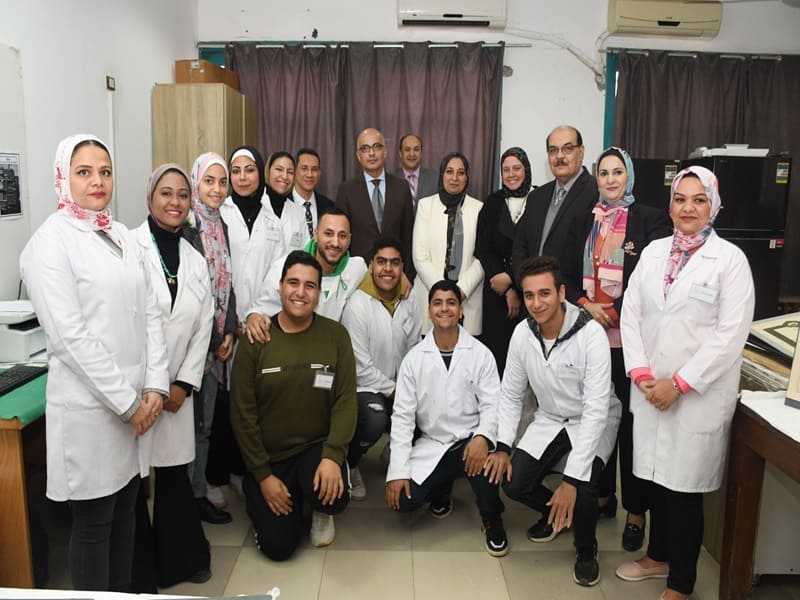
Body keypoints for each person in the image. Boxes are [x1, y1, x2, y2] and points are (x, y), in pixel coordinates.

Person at [19, 134, 169, 591]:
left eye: (104, 171)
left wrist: (155, 388)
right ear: (63, 177)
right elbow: (70, 338)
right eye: (84, 172)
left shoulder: (119, 233)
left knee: (126, 512)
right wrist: (129, 403)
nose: (97, 181)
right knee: (94, 524)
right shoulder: (49, 244)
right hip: (93, 411)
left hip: (134, 410)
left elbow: (150, 314)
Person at [615, 166, 755, 600]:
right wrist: (640, 373)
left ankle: (682, 582)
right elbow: (631, 314)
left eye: (699, 200)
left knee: (685, 491)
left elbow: (730, 335)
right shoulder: (654, 252)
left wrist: (678, 384)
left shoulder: (730, 261)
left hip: (694, 395)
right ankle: (657, 556)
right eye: (680, 199)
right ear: (670, 204)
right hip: (650, 388)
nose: (688, 208)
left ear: (713, 205)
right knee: (656, 481)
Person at [485, 256, 621, 587]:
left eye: (544, 293)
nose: (536, 303)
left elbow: (595, 409)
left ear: (562, 292)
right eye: (529, 295)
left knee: (585, 483)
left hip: (593, 419)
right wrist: (503, 445)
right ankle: (554, 513)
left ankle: (586, 549)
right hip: (549, 417)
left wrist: (571, 481)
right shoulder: (522, 334)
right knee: (514, 484)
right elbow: (512, 395)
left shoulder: (589, 334)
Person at [561, 146, 672, 551]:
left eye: (617, 173)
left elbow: (652, 281)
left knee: (629, 425)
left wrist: (616, 312)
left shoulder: (652, 221)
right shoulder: (584, 219)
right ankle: (603, 494)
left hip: (632, 343)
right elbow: (567, 276)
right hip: (590, 338)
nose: (610, 180)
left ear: (629, 176)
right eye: (603, 173)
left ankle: (636, 510)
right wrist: (587, 304)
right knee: (596, 417)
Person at [230, 251, 357, 557]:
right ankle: (266, 494)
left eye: (310, 286)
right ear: (280, 286)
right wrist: (263, 476)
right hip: (272, 457)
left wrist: (332, 456)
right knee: (278, 548)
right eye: (293, 283)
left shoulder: (335, 336)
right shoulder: (257, 338)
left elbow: (345, 400)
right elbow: (242, 412)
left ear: (319, 291)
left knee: (332, 498)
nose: (300, 292)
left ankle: (317, 505)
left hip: (316, 447)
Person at [132, 164, 214, 589]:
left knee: (172, 475)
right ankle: (139, 568)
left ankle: (179, 559)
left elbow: (204, 325)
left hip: (177, 391)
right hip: (136, 390)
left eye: (183, 195)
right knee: (130, 480)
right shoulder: (128, 248)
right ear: (150, 199)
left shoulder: (196, 260)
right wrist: (151, 385)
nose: (175, 202)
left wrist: (183, 383)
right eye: (166, 194)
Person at [387, 279, 507, 556]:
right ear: (429, 310)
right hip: (433, 443)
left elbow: (493, 405)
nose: (444, 309)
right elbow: (403, 419)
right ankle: (442, 486)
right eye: (437, 303)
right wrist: (397, 472)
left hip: (471, 443)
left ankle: (492, 517)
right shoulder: (414, 359)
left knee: (486, 469)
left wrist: (483, 436)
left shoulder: (481, 354)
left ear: (461, 311)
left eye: (451, 303)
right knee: (404, 501)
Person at [215, 146, 286, 509]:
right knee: (222, 402)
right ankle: (218, 474)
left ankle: (246, 472)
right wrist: (232, 322)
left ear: (260, 174)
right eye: (236, 171)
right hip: (226, 326)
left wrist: (257, 314)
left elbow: (279, 274)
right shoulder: (218, 216)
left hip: (259, 324)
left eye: (249, 170)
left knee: (252, 403)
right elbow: (216, 272)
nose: (243, 177)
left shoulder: (273, 220)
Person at [340, 237, 422, 500]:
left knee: (431, 407)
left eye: (395, 263)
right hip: (364, 389)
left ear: (402, 268)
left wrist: (411, 389)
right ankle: (351, 463)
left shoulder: (409, 301)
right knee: (374, 419)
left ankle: (394, 451)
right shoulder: (357, 305)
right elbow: (360, 368)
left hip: (399, 385)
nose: (388, 269)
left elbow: (414, 351)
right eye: (381, 262)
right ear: (371, 266)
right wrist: (396, 391)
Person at [185, 152, 238, 525]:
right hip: (193, 344)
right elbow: (194, 294)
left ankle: (198, 492)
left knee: (203, 426)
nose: (216, 189)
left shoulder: (222, 225)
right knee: (189, 431)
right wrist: (215, 336)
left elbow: (228, 285)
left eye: (222, 182)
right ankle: (190, 499)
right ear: (195, 184)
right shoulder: (187, 227)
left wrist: (230, 330)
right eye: (209, 181)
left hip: (216, 343)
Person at [245, 208, 367, 338]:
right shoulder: (285, 267)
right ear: (315, 234)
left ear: (349, 240)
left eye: (342, 236)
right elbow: (260, 310)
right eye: (328, 234)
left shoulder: (357, 268)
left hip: (328, 350)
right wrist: (253, 318)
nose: (335, 243)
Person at [512, 126, 597, 283]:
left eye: (567, 149)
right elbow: (520, 245)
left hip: (573, 299)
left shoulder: (596, 193)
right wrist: (523, 281)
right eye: (553, 150)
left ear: (581, 152)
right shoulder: (536, 197)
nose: (559, 156)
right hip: (532, 297)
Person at [475, 147, 533, 375]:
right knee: (498, 357)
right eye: (505, 169)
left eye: (516, 168)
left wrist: (513, 279)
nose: (511, 174)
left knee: (526, 360)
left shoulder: (538, 199)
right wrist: (506, 287)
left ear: (526, 170)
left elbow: (535, 247)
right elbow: (482, 247)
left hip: (529, 290)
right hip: (496, 291)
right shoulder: (492, 203)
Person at [412, 152, 484, 335]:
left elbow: (482, 257)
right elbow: (420, 257)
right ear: (442, 174)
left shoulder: (479, 209)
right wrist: (443, 294)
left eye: (461, 173)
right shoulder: (425, 206)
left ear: (467, 177)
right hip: (430, 299)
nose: (454, 178)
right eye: (449, 171)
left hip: (466, 299)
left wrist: (459, 292)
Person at [335, 127, 415, 279]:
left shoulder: (401, 187)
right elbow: (342, 239)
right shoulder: (347, 191)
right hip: (358, 276)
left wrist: (407, 276)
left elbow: (409, 237)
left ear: (385, 152)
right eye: (365, 149)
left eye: (376, 147)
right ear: (359, 156)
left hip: (395, 275)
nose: (371, 153)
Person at [292, 147, 334, 247]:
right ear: (294, 170)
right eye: (304, 168)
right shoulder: (283, 203)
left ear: (319, 173)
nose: (310, 174)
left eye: (314, 169)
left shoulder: (328, 206)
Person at [265, 150, 306, 250]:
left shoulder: (299, 213)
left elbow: (305, 249)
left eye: (290, 172)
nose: (284, 176)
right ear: (268, 171)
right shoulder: (255, 206)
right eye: (279, 169)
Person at [391, 133, 438, 209]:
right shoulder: (390, 178)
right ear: (400, 153)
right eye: (407, 149)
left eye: (416, 149)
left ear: (421, 153)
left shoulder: (435, 179)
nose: (412, 154)